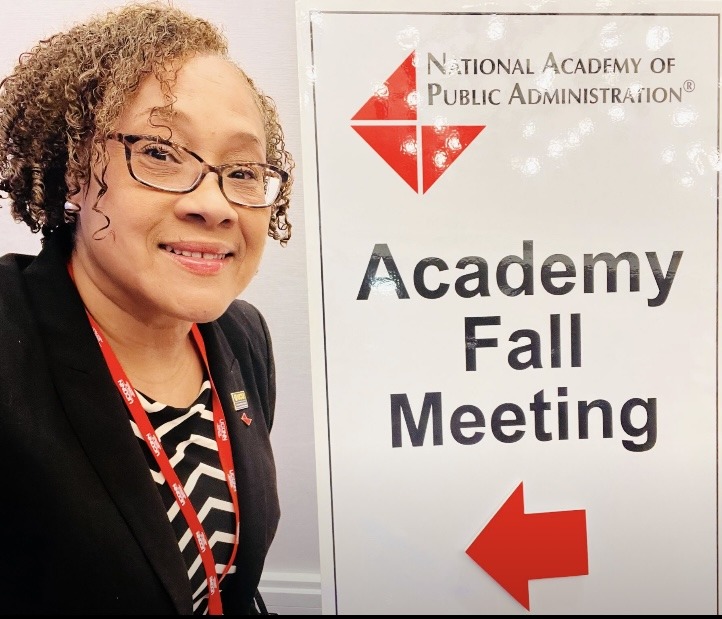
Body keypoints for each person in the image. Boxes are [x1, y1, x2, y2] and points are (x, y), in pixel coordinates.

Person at [0, 1, 293, 614]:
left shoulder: (241, 336)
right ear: (74, 170)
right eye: (160, 152)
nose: (215, 205)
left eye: (242, 171)